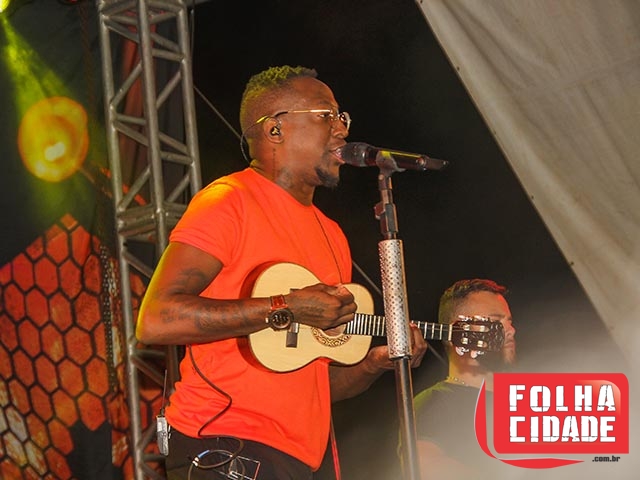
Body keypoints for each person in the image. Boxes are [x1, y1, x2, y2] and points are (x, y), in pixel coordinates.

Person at [136, 65, 427, 479]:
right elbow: (156, 319)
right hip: (225, 446)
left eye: (342, 118)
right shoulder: (229, 201)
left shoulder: (332, 235)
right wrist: (285, 307)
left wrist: (373, 364)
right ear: (275, 129)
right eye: (327, 116)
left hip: (295, 461)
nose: (342, 130)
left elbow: (315, 384)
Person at [413, 279, 516, 480]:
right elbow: (425, 466)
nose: (511, 330)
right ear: (459, 331)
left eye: (509, 321)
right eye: (496, 321)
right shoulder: (434, 402)